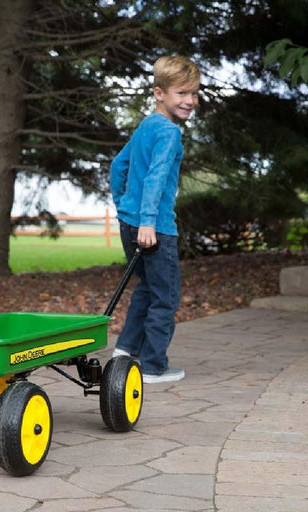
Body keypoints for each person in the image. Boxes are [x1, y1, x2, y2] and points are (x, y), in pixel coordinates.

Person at [110, 55, 200, 384]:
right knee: (166, 296)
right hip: (155, 227)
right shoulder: (169, 132)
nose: (190, 101)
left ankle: (125, 351)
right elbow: (156, 177)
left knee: (147, 288)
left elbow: (118, 166)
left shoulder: (147, 125)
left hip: (130, 222)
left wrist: (125, 207)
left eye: (194, 93)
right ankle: (151, 367)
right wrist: (147, 220)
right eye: (182, 93)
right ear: (159, 93)